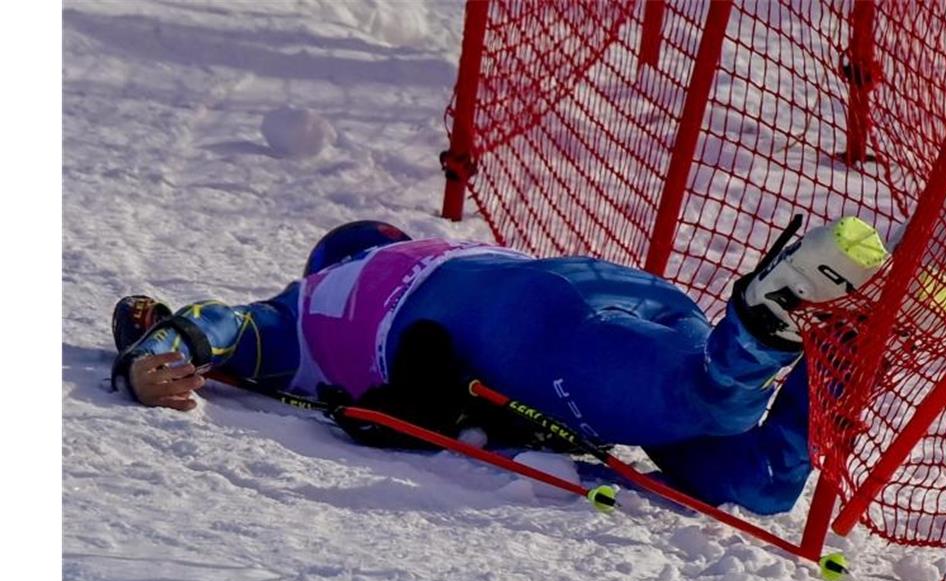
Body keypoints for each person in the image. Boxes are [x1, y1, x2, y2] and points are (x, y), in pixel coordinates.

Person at [110, 217, 888, 515]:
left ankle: (765, 320)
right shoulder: (420, 256)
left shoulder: (302, 309)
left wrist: (159, 356)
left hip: (521, 327)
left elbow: (220, 325)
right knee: (756, 483)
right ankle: (837, 352)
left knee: (705, 400)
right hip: (609, 296)